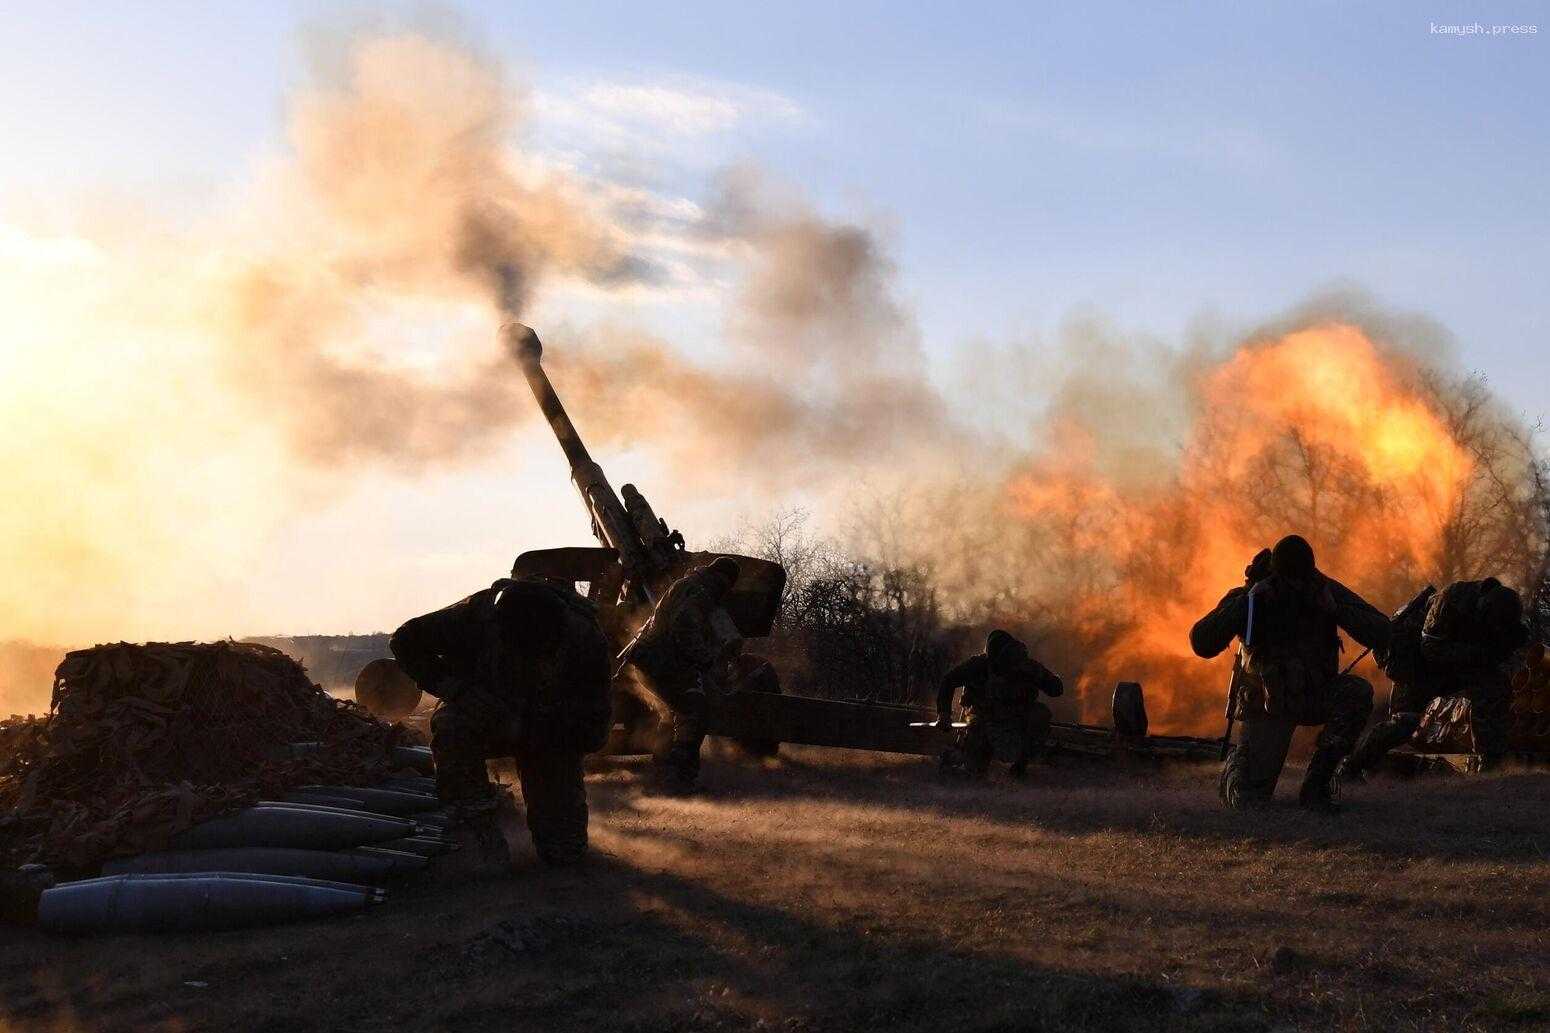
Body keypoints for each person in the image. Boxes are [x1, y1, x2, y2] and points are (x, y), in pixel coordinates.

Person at [389, 577, 612, 867]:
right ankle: (476, 829)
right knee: (453, 726)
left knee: (564, 852)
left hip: (546, 725)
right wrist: (458, 690)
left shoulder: (585, 639)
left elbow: (596, 726)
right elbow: (404, 640)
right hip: (486, 710)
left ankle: (555, 832)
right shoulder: (473, 617)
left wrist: (557, 741)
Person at [1190, 535, 1390, 812]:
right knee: (1249, 803)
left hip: (1314, 694)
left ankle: (1318, 785)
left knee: (1356, 692)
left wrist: (1337, 609)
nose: (1296, 587)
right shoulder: (1253, 596)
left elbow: (1382, 631)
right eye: (1290, 579)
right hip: (1268, 704)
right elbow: (1201, 642)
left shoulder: (1323, 590)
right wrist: (1246, 601)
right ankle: (1237, 767)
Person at [1340, 578, 1526, 782]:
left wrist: (1504, 648)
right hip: (1414, 663)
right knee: (1404, 723)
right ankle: (1352, 767)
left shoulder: (1502, 615)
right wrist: (1481, 655)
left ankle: (1491, 763)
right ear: (1484, 609)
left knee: (1494, 687)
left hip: (1452, 664)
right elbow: (1431, 648)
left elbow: (1509, 646)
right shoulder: (1450, 601)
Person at [619, 557, 743, 791]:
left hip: (649, 659)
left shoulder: (690, 585)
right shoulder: (700, 591)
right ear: (723, 579)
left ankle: (661, 772)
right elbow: (684, 628)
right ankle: (678, 778)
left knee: (672, 712)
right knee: (694, 710)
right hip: (659, 660)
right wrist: (707, 659)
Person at [935, 629, 1063, 780]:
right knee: (974, 770)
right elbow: (948, 681)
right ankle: (972, 763)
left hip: (1017, 719)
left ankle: (1020, 766)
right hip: (983, 719)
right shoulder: (979, 665)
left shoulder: (1027, 667)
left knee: (1040, 714)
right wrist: (944, 714)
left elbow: (1056, 689)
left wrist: (1042, 676)